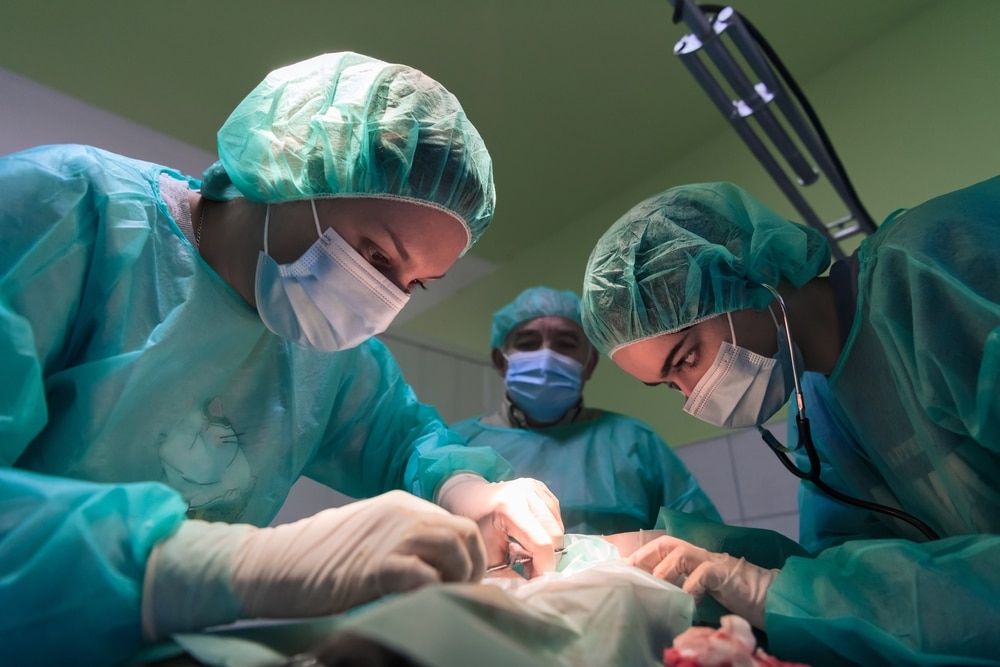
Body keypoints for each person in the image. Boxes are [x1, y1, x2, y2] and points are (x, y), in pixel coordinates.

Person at [0, 52, 565, 666]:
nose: (384, 300)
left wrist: (469, 489)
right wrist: (207, 566)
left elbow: (404, 443)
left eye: (414, 284)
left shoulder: (333, 358)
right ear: (290, 166)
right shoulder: (65, 215)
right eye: (377, 257)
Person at [579, 180, 1000, 665]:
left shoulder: (935, 270)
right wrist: (698, 556)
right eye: (671, 386)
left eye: (687, 359)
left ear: (751, 277)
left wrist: (769, 590)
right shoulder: (822, 414)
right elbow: (847, 574)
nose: (695, 397)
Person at [451, 286, 721, 535]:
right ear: (501, 361)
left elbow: (702, 540)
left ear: (590, 364)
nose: (546, 357)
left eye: (566, 344)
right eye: (528, 343)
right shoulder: (457, 446)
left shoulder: (633, 441)